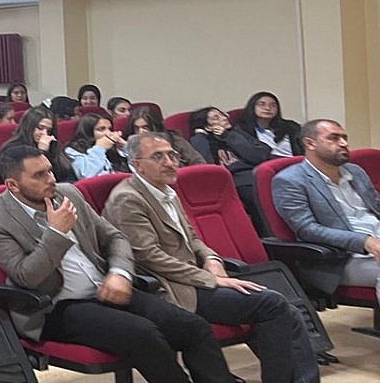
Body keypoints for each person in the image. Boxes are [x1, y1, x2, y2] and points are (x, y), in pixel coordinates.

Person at [0, 144, 235, 383]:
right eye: (39, 175)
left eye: (50, 170)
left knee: (194, 326)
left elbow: (115, 238)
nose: (51, 179)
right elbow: (26, 276)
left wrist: (120, 272)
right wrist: (56, 234)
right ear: (13, 185)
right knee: (143, 334)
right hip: (57, 306)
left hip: (107, 288)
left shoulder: (68, 194)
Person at [104, 132, 319, 383]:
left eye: (172, 155)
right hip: (171, 289)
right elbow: (150, 257)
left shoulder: (166, 192)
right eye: (158, 157)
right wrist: (211, 279)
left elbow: (192, 238)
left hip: (194, 278)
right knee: (273, 304)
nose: (169, 162)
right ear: (137, 164)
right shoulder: (128, 198)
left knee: (285, 309)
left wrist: (212, 259)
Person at [273, 119, 380, 300]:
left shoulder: (355, 171)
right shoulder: (290, 180)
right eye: (334, 138)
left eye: (345, 138)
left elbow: (376, 207)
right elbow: (307, 230)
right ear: (310, 143)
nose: (344, 143)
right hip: (339, 260)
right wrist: (365, 242)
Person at [188, 106, 270, 228]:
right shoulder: (202, 141)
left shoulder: (236, 133)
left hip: (257, 173)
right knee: (256, 196)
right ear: (207, 127)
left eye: (222, 114)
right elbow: (206, 166)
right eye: (216, 118)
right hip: (236, 181)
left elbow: (259, 156)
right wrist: (199, 136)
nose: (224, 118)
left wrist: (228, 136)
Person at [3, 105, 75, 184]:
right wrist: (41, 151)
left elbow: (65, 173)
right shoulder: (11, 150)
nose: (45, 134)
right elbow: (34, 177)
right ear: (29, 126)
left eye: (49, 131)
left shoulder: (50, 144)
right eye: (40, 128)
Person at [126, 106, 205, 167]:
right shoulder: (129, 146)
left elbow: (199, 163)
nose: (141, 132)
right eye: (136, 128)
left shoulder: (175, 140)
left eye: (145, 127)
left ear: (156, 126)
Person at [234, 91, 302, 158]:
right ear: (252, 107)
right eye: (262, 104)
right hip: (265, 163)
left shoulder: (291, 127)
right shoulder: (242, 130)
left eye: (273, 105)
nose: (268, 108)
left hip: (296, 162)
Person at [65, 112, 129, 179]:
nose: (108, 133)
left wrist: (124, 145)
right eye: (101, 129)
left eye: (110, 129)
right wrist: (99, 148)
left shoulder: (112, 148)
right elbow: (86, 175)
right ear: (88, 132)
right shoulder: (72, 151)